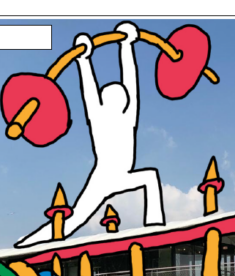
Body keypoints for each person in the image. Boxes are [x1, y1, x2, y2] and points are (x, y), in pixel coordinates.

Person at [16, 22, 165, 248]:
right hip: (103, 177)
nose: (119, 95)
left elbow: (130, 83)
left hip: (121, 174)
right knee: (75, 218)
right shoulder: (100, 116)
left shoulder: (126, 116)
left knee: (150, 177)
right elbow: (92, 90)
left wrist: (125, 46)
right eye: (113, 94)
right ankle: (29, 241)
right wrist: (85, 59)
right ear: (107, 99)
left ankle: (154, 224)